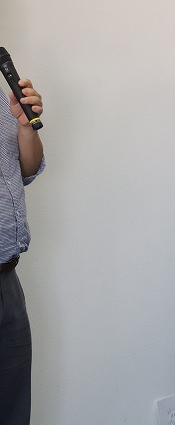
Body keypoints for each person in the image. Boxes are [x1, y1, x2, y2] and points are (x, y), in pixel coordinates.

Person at [0, 77, 45, 425]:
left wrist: (25, 126)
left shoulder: (3, 95)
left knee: (14, 409)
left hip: (7, 277)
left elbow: (26, 169)